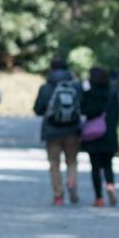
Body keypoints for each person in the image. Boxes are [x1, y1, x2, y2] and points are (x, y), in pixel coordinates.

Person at [33, 56, 83, 206]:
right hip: (72, 131)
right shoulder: (75, 87)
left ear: (51, 69)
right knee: (72, 161)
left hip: (51, 131)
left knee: (54, 164)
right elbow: (82, 106)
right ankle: (71, 183)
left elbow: (38, 110)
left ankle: (58, 196)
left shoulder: (45, 87)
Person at [81, 66, 119, 207]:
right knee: (108, 165)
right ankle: (110, 185)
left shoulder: (90, 94)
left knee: (95, 167)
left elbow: (86, 111)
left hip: (94, 135)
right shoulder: (112, 94)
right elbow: (116, 115)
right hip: (109, 134)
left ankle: (99, 198)